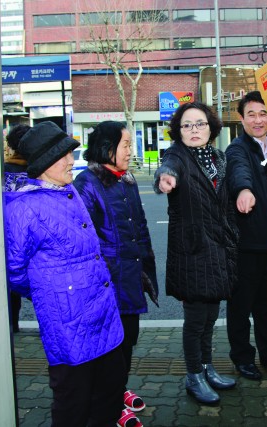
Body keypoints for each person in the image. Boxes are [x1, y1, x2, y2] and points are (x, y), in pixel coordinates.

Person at [4, 121, 126, 426]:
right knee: (74, 401)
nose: (72, 161)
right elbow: (15, 271)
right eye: (63, 156)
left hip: (103, 312)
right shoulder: (23, 208)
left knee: (108, 394)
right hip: (67, 320)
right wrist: (53, 291)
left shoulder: (68, 190)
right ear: (43, 164)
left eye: (71, 154)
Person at [74, 121, 159, 427]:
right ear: (107, 148)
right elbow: (83, 242)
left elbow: (142, 227)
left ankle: (118, 388)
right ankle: (110, 403)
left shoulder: (127, 180)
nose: (130, 150)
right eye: (125, 144)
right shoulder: (87, 184)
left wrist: (146, 266)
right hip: (105, 282)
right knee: (109, 345)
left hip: (131, 275)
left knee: (127, 339)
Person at [154, 102, 238, 405]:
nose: (194, 130)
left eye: (199, 124)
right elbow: (167, 170)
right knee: (195, 318)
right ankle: (194, 375)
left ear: (211, 128)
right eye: (187, 125)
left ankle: (207, 367)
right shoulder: (176, 156)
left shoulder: (219, 157)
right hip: (191, 251)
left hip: (217, 248)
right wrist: (165, 179)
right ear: (178, 130)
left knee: (211, 315)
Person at [224, 91, 267, 381]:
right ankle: (242, 358)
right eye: (251, 114)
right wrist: (243, 189)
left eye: (263, 113)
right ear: (241, 119)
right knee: (240, 307)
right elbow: (240, 173)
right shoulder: (237, 149)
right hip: (245, 242)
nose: (258, 119)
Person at [3, 124, 31, 333]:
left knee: (10, 285)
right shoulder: (38, 171)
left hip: (7, 235)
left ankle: (12, 324)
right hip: (33, 235)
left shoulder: (2, 172)